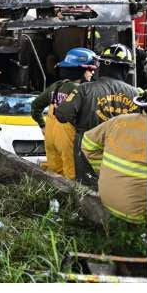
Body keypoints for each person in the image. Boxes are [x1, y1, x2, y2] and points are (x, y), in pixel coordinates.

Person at [55, 44, 140, 188]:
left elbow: (62, 115)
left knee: (86, 191)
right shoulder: (137, 95)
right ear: (126, 70)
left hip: (86, 150)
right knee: (118, 189)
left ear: (102, 66)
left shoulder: (84, 89)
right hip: (122, 150)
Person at [81, 90, 147, 223]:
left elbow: (87, 142)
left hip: (109, 202)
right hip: (139, 215)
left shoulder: (119, 120)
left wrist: (103, 170)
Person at [30, 48, 97, 179]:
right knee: (72, 178)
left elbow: (35, 106)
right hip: (67, 140)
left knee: (54, 175)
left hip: (50, 136)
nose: (92, 73)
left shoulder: (56, 86)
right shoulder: (82, 90)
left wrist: (43, 125)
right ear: (80, 70)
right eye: (90, 69)